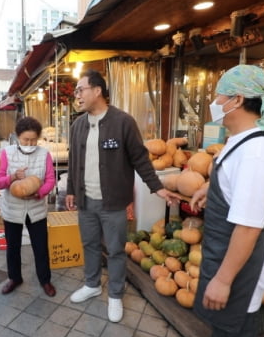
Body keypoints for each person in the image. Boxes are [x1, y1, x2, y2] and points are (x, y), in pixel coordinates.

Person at [65, 69, 181, 323]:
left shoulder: (123, 122)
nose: (77, 95)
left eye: (80, 90)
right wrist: (71, 190)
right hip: (86, 201)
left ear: (97, 91)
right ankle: (92, 284)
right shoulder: (77, 125)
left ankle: (116, 294)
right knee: (90, 245)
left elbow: (140, 158)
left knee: (116, 250)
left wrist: (157, 187)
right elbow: (74, 161)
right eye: (76, 91)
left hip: (113, 203)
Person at [189, 64, 264, 337]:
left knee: (234, 336)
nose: (215, 103)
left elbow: (248, 227)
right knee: (222, 332)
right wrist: (213, 187)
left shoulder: (257, 152)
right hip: (224, 250)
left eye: (220, 96)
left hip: (241, 262)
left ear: (238, 100)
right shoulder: (244, 140)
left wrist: (223, 280)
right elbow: (237, 178)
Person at [0, 116, 57, 297]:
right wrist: (12, 177)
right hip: (12, 209)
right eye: (25, 139)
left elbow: (50, 180)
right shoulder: (7, 153)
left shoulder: (44, 154)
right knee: (13, 246)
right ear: (17, 137)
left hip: (36, 209)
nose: (29, 143)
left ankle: (45, 280)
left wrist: (39, 193)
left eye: (33, 140)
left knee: (40, 247)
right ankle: (14, 278)